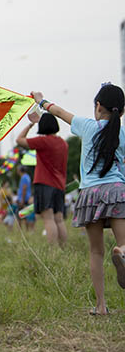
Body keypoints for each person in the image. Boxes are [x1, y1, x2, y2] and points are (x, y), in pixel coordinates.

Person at [31, 86, 125, 315]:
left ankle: (101, 306)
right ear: (121, 113)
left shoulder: (87, 126)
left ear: (98, 107)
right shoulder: (121, 134)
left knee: (95, 252)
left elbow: (60, 112)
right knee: (123, 243)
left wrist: (41, 102)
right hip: (116, 190)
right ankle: (121, 252)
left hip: (90, 194)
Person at [16, 112, 69, 246]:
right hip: (59, 185)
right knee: (59, 219)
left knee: (48, 219)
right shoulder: (63, 144)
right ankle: (63, 249)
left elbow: (19, 140)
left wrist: (30, 124)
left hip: (45, 183)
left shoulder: (43, 141)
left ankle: (53, 251)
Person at [16, 166, 35, 231]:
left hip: (23, 199)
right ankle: (27, 229)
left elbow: (24, 188)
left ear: (20, 170)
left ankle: (20, 230)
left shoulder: (23, 177)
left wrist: (22, 200)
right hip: (27, 198)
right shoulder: (27, 176)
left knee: (20, 215)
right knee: (26, 214)